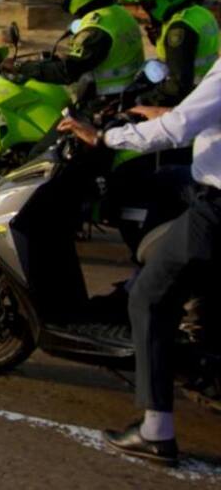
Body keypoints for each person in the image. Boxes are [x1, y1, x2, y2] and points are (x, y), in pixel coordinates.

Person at [57, 62, 221, 466]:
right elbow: (198, 115)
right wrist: (158, 114)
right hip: (200, 179)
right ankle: (155, 273)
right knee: (150, 184)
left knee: (149, 298)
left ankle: (155, 431)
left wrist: (106, 137)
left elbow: (182, 128)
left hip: (215, 207)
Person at [15, 0, 144, 97]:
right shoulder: (118, 12)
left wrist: (20, 67)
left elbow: (66, 72)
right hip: (129, 92)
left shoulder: (96, 29)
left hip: (104, 103)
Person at [112, 0, 219, 106]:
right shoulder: (198, 13)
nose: (138, 13)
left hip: (193, 101)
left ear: (162, 0)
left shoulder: (179, 31)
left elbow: (177, 87)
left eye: (142, 5)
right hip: (209, 93)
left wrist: (143, 100)